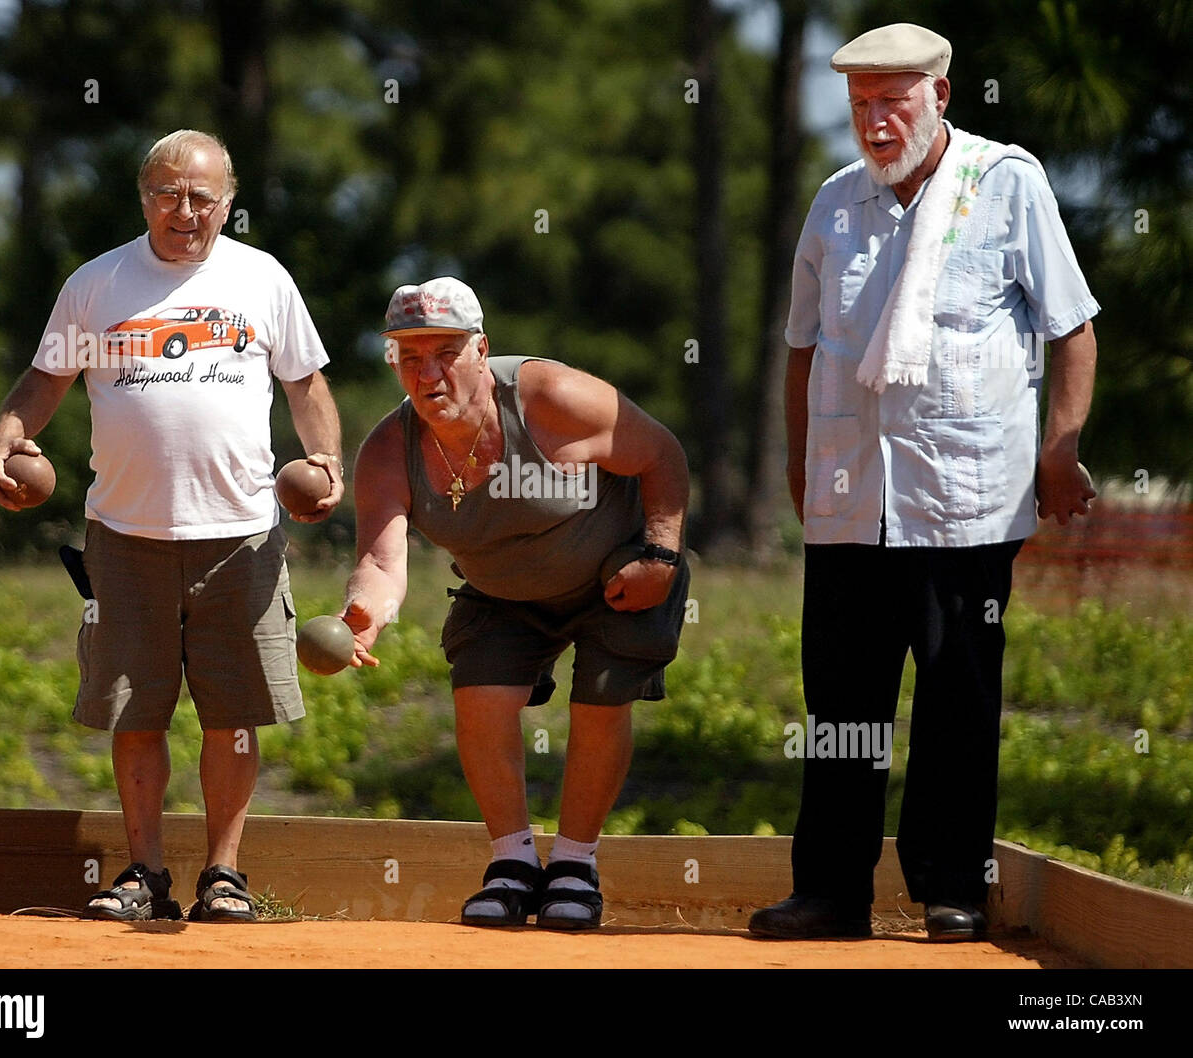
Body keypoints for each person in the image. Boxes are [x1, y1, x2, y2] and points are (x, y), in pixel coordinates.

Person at [748, 24, 1099, 942]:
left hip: (964, 503)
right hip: (850, 502)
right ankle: (830, 893)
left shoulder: (1005, 182)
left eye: (892, 101)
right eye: (860, 103)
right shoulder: (832, 205)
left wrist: (1060, 448)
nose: (874, 120)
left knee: (956, 702)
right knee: (843, 712)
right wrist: (797, 463)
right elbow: (800, 351)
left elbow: (1071, 327)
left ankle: (953, 890)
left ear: (942, 96)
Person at [0, 129, 344, 922]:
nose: (184, 212)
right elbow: (46, 380)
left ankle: (225, 876)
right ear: (145, 198)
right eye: (167, 194)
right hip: (125, 533)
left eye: (201, 197)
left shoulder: (263, 279)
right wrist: (7, 436)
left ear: (228, 201)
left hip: (240, 533)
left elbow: (307, 385)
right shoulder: (97, 283)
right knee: (133, 710)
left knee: (235, 714)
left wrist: (326, 462)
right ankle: (144, 873)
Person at [338, 277, 689, 930]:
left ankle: (576, 865)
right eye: (409, 357)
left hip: (616, 569)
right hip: (502, 589)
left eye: (444, 351)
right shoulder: (389, 452)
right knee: (480, 693)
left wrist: (661, 555)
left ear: (481, 350)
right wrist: (363, 613)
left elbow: (662, 453)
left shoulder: (551, 398)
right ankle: (514, 864)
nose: (427, 371)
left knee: (602, 695)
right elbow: (381, 563)